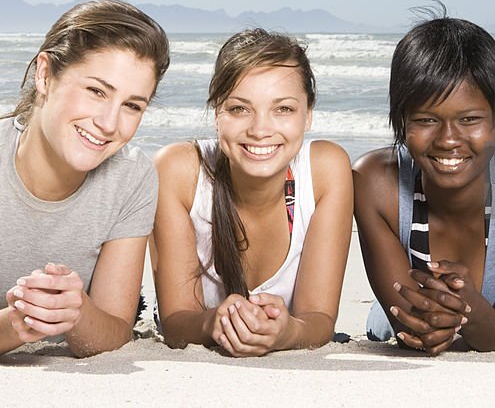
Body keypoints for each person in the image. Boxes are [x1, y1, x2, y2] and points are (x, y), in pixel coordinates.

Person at [0, 0, 171, 360]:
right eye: (96, 91)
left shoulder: (132, 176)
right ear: (44, 75)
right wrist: (19, 321)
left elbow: (114, 337)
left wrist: (76, 312)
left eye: (132, 105)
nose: (110, 123)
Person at [354, 14, 495, 354]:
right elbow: (410, 327)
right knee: (382, 323)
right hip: (408, 307)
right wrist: (427, 328)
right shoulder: (373, 181)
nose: (449, 140)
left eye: (469, 120)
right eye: (426, 120)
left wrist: (468, 309)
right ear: (401, 121)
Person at [151, 29, 352, 356]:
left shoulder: (326, 170)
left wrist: (288, 332)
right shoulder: (179, 171)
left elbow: (319, 318)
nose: (260, 130)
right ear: (217, 113)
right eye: (239, 109)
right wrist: (213, 322)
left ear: (308, 114)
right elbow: (176, 322)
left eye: (283, 109)